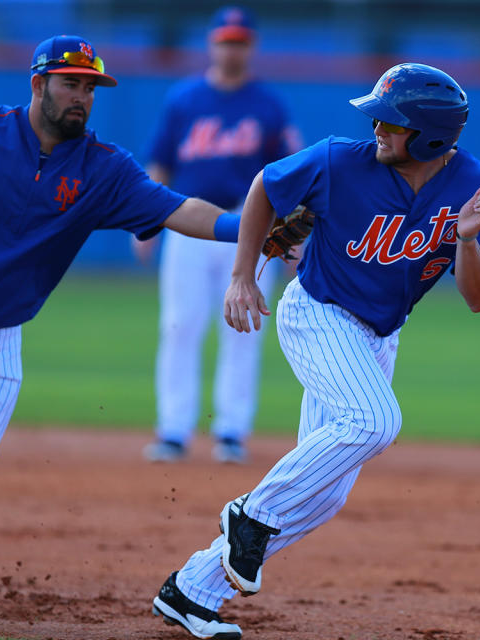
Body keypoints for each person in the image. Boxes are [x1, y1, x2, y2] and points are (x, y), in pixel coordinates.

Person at [150, 62, 480, 640]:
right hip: (318, 315)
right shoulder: (341, 158)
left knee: (324, 497)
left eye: (391, 120)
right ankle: (251, 513)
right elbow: (266, 184)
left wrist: (466, 240)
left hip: (379, 336)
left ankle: (192, 590)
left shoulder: (475, 187)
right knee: (375, 420)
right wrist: (242, 276)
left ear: (433, 135)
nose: (377, 128)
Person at [0, 35, 247, 617]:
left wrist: (250, 227)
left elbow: (177, 208)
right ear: (38, 84)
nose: (81, 97)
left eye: (90, 87)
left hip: (1, 330)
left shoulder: (102, 170)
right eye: (70, 83)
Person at [137, 6, 301, 465]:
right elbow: (160, 164)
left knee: (244, 329)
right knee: (179, 325)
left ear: (251, 46)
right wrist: (146, 224)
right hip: (187, 223)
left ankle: (231, 430)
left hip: (249, 229)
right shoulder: (183, 99)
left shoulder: (268, 104)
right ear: (212, 44)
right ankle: (173, 429)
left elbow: (288, 174)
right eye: (225, 40)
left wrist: (289, 234)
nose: (232, 48)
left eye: (240, 41)